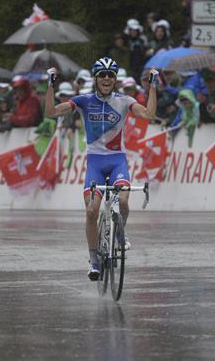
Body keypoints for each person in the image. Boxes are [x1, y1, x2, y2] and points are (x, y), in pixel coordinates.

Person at [44, 57, 158, 281]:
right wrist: (50, 85)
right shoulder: (84, 101)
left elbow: (149, 115)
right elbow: (51, 112)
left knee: (124, 202)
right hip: (95, 162)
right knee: (90, 212)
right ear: (96, 79)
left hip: (117, 161)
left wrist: (153, 87)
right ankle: (94, 260)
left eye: (111, 75)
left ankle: (120, 233)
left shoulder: (124, 101)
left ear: (115, 79)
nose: (107, 79)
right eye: (102, 75)